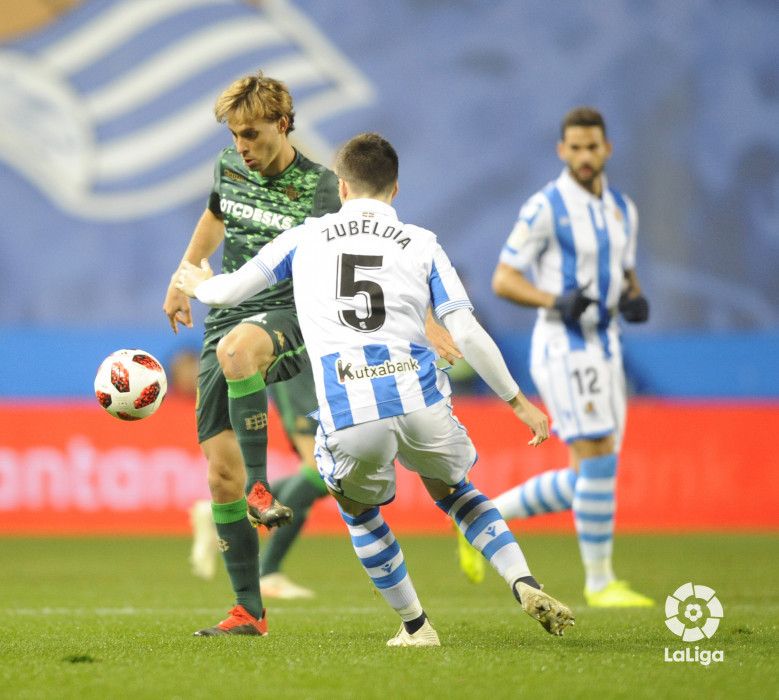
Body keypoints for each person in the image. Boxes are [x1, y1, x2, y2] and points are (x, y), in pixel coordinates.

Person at [176, 132, 575, 646]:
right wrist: (518, 402)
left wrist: (195, 283)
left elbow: (230, 291)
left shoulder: (307, 236)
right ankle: (523, 580)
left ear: (341, 187)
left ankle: (416, 626)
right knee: (456, 493)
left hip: (351, 410)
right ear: (395, 188)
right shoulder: (422, 242)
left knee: (357, 508)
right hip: (420, 397)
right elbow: (467, 332)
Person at [162, 71, 344, 635]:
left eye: (252, 134)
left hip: (289, 320)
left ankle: (264, 489)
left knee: (243, 350)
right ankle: (249, 611)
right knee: (221, 476)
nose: (242, 146)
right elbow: (215, 218)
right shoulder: (228, 167)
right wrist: (183, 275)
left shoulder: (323, 188)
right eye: (235, 135)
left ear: (284, 125)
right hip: (227, 319)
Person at [472, 107, 654, 607]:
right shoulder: (546, 206)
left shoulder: (622, 208)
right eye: (574, 148)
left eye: (592, 147)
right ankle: (599, 582)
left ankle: (486, 517)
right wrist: (555, 300)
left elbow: (626, 271)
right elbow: (504, 278)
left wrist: (634, 297)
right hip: (564, 345)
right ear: (561, 151)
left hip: (607, 345)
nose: (584, 156)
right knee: (595, 457)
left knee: (595, 470)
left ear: (607, 149)